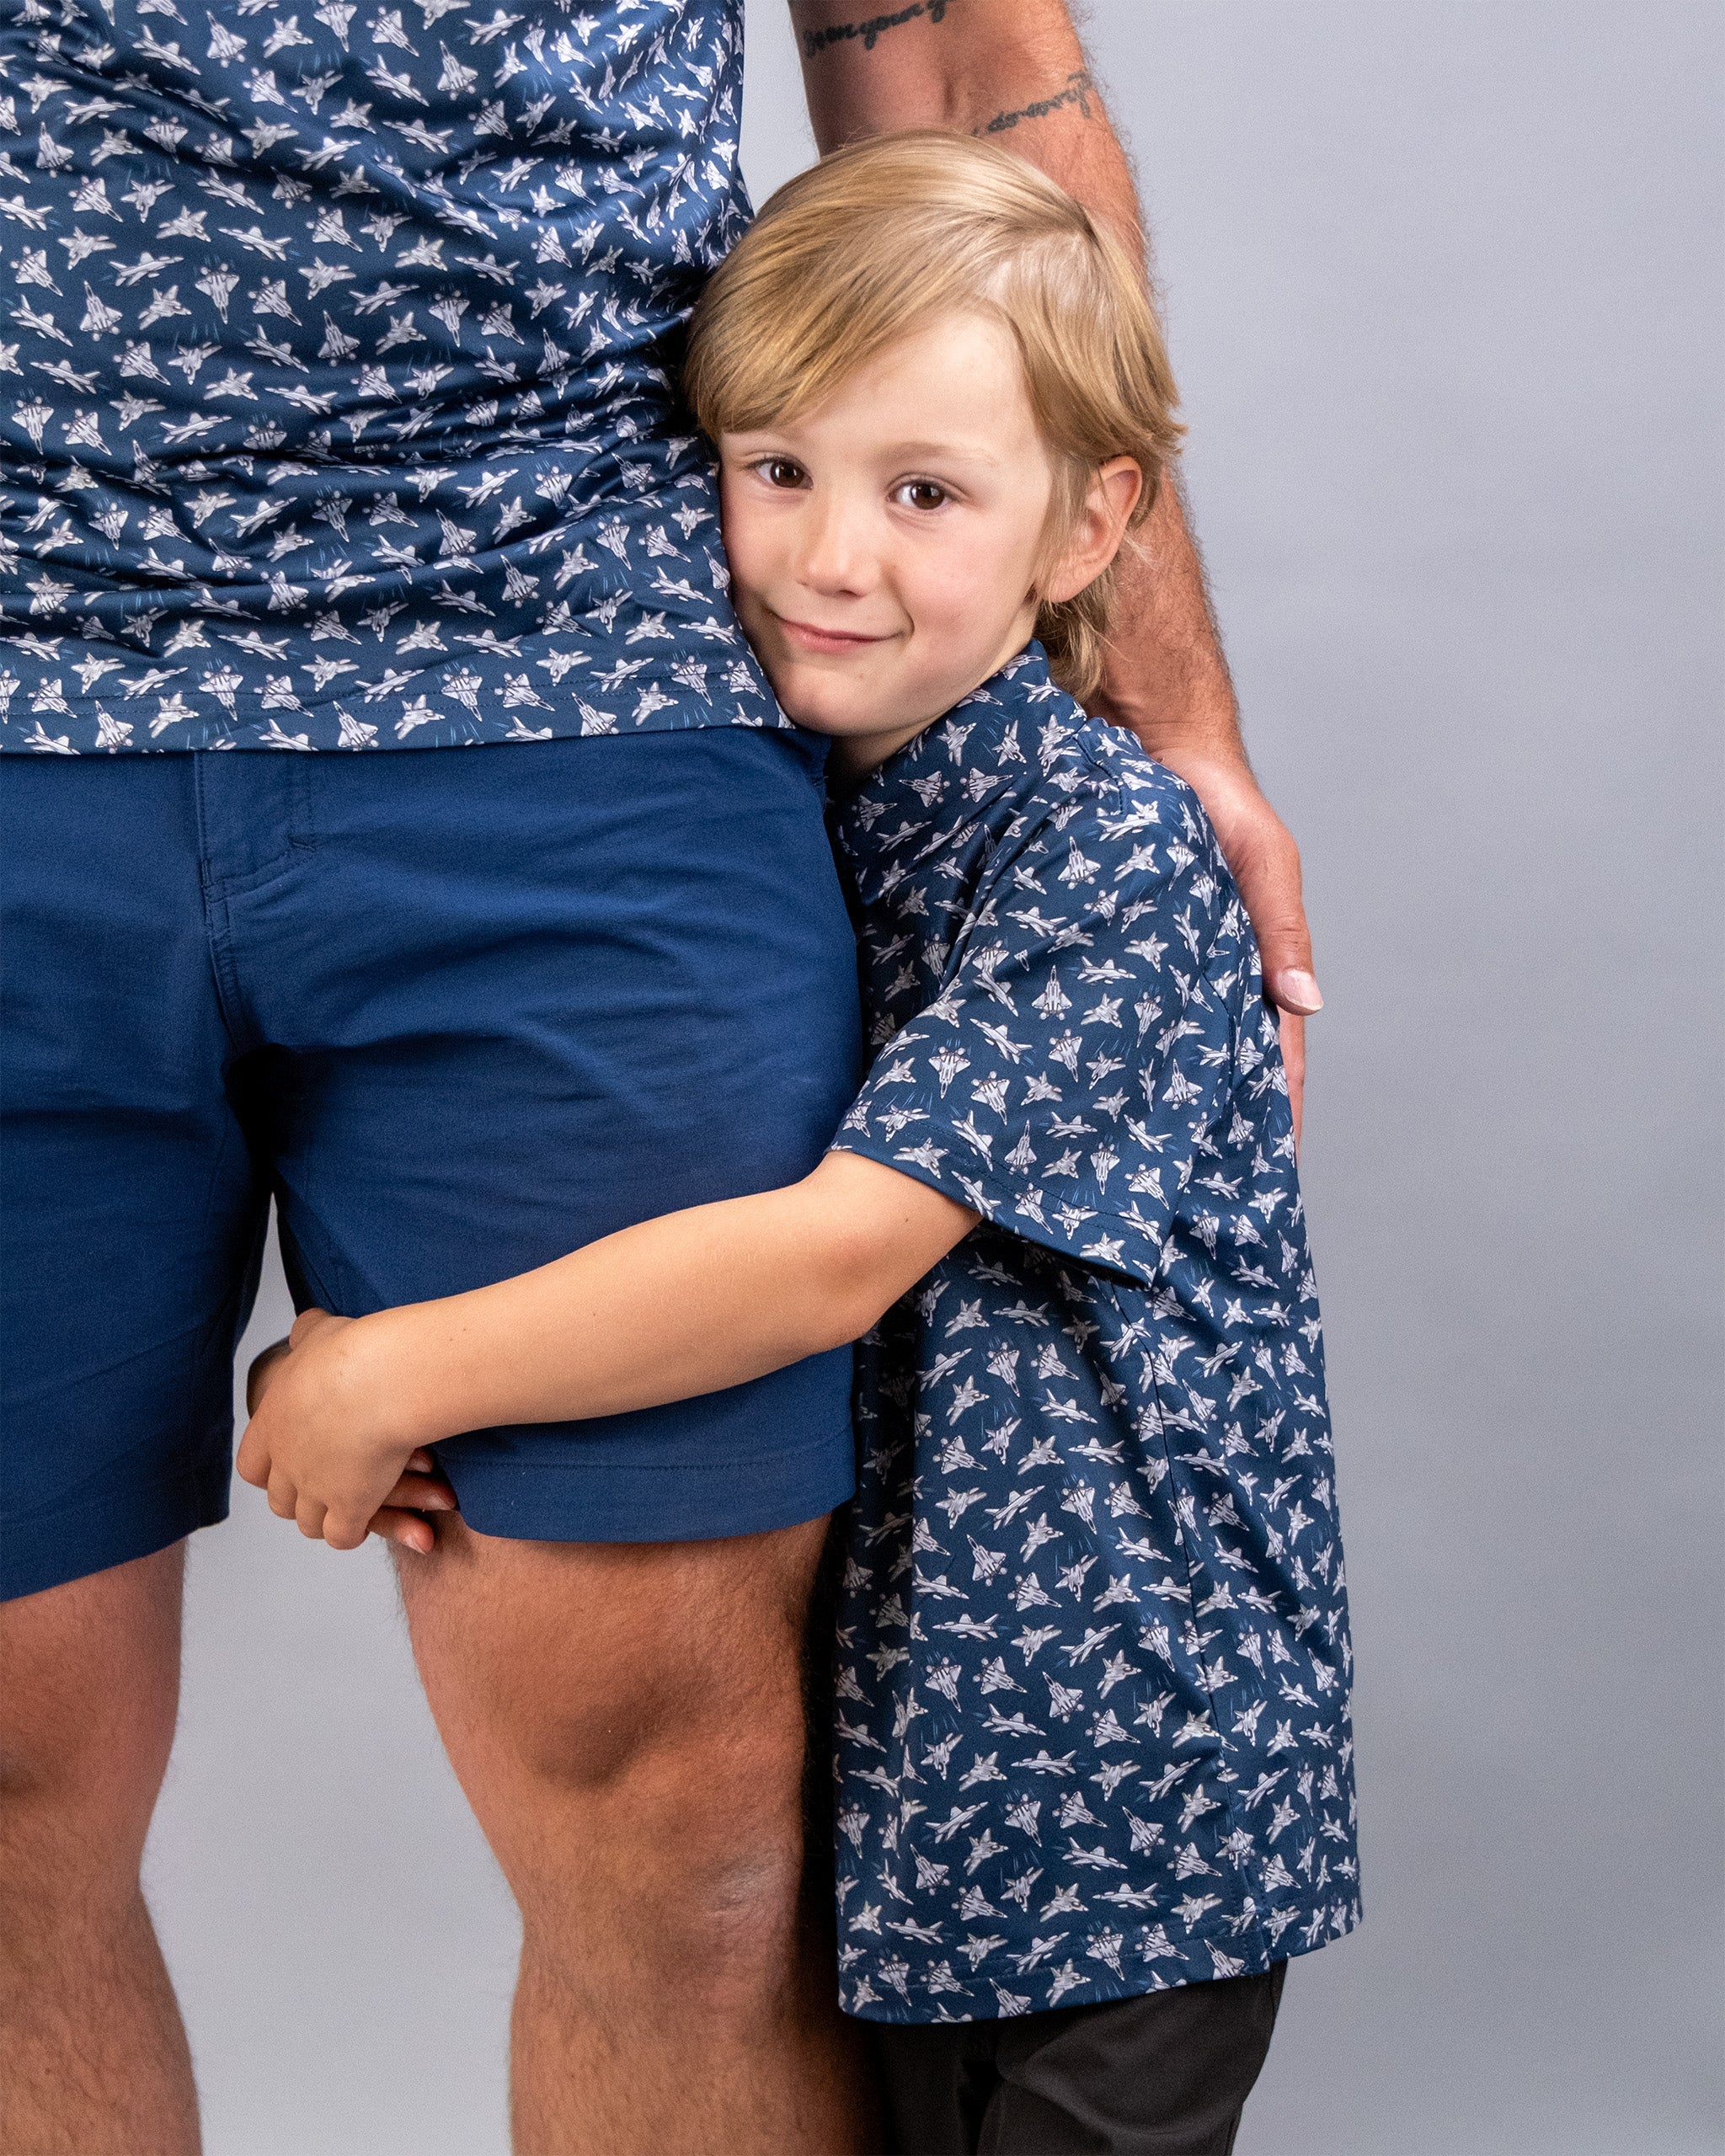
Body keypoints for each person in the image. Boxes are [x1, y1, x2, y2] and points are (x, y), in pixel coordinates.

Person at [0, 7, 1317, 2154]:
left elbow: (960, 47)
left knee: (684, 1826)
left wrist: (1158, 706)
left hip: (576, 686)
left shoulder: (1073, 868)